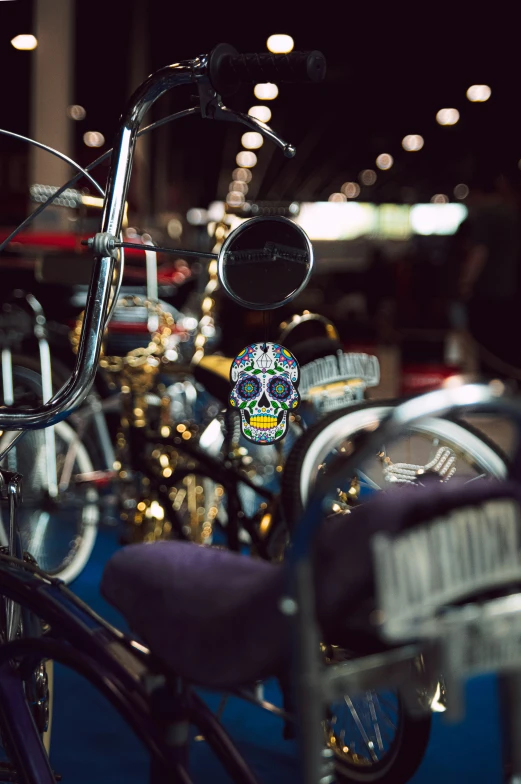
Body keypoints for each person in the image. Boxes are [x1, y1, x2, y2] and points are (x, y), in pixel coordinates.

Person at [459, 171, 521, 382]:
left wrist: (466, 283)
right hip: (509, 291)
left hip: (487, 292)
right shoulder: (512, 212)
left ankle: (490, 393)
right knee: (506, 346)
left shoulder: (485, 215)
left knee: (486, 349)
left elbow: (479, 252)